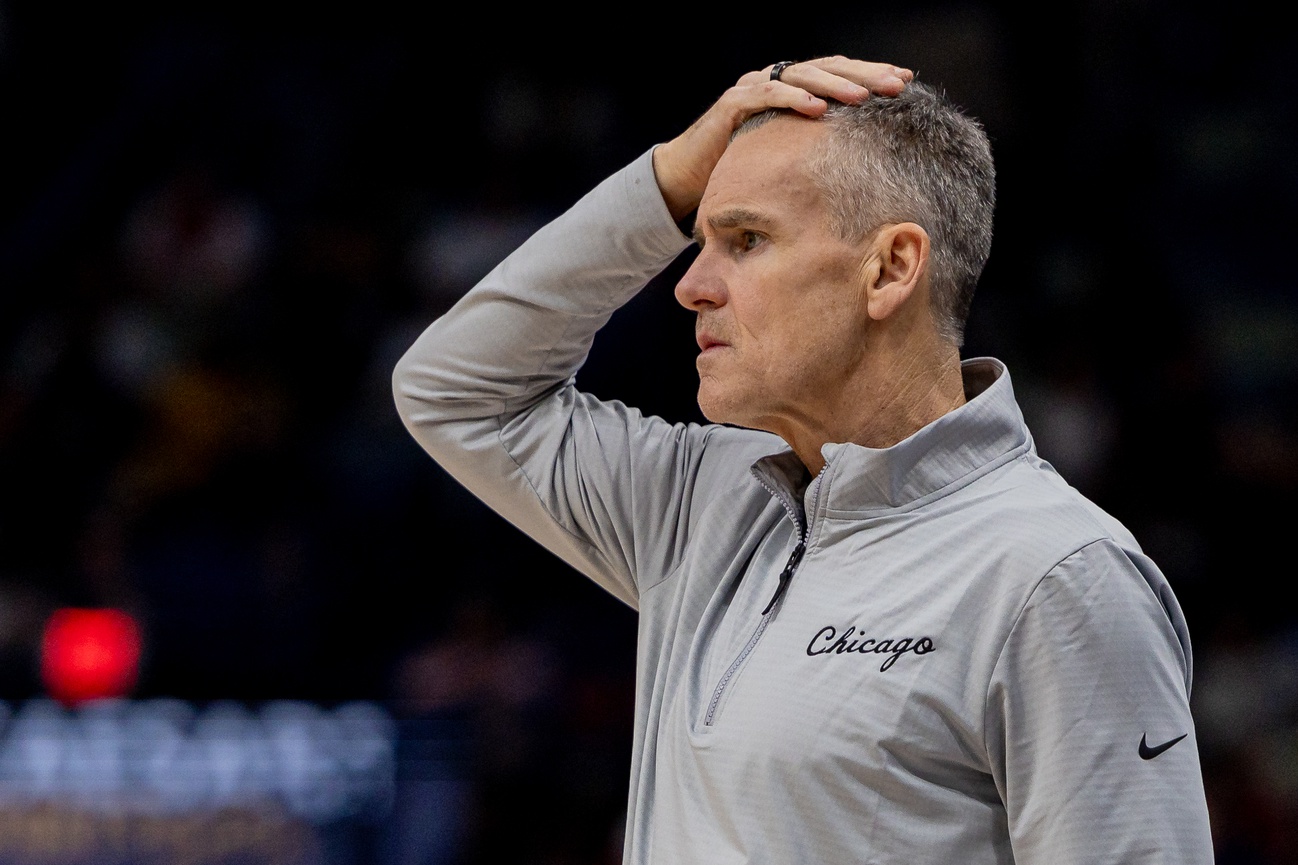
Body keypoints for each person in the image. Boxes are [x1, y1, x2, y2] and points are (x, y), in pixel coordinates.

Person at [393, 57, 1213, 864]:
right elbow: (456, 391)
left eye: (745, 239)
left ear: (890, 268)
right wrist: (665, 185)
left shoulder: (1057, 575)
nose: (690, 284)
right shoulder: (698, 500)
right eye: (697, 236)